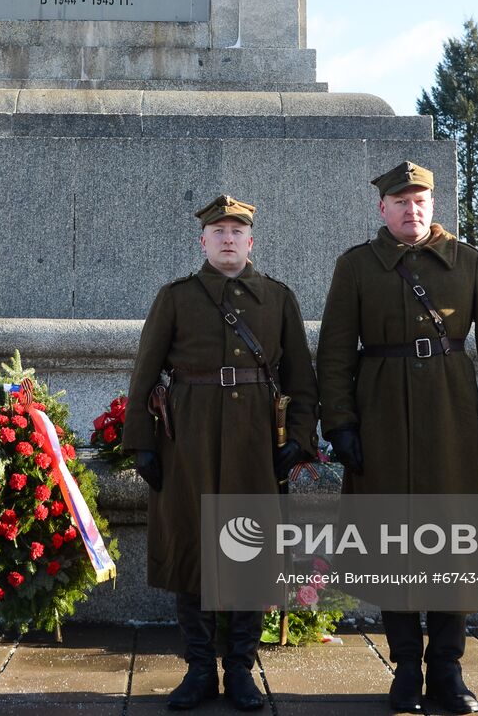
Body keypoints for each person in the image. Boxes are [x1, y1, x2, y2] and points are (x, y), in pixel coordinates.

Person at [317, 161, 478, 714]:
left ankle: (448, 668)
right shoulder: (356, 266)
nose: (413, 210)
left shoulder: (469, 262)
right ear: (382, 208)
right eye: (401, 201)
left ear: (434, 205)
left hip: (452, 416)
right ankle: (406, 666)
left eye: (422, 201)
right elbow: (334, 352)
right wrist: (339, 422)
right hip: (380, 416)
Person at [123, 194, 318, 712]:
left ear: (250, 241)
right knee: (194, 548)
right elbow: (145, 373)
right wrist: (142, 441)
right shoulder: (176, 297)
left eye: (237, 231)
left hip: (256, 438)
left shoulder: (277, 298)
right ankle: (200, 668)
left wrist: (298, 438)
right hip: (187, 437)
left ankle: (241, 669)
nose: (228, 238)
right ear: (203, 241)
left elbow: (301, 376)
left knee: (250, 551)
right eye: (219, 231)